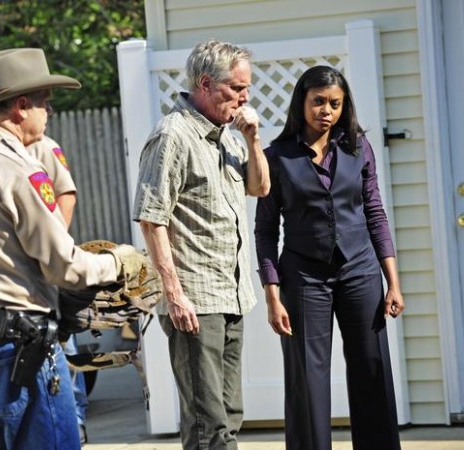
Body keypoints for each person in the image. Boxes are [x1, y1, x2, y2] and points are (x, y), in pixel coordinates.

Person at [0, 48, 145, 450]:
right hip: (17, 348)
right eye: (45, 102)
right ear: (20, 106)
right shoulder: (16, 168)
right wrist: (119, 262)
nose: (48, 111)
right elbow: (64, 266)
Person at [254, 65, 404, 450]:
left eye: (335, 104)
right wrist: (272, 296)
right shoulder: (277, 157)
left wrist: (393, 282)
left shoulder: (358, 148)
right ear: (301, 103)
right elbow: (266, 230)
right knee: (308, 381)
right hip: (304, 277)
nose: (327, 111)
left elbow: (375, 213)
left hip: (360, 271)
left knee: (372, 369)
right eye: (318, 101)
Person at [132, 40, 270, 450]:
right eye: (236, 88)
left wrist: (253, 140)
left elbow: (260, 187)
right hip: (195, 302)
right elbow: (151, 218)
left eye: (247, 88)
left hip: (230, 295)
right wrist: (175, 296)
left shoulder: (227, 136)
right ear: (206, 84)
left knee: (228, 416)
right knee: (208, 424)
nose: (245, 97)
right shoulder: (172, 136)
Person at [27, 134, 89, 445]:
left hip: (47, 266)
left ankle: (75, 418)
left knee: (64, 345)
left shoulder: (44, 147)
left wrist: (54, 247)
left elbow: (66, 195)